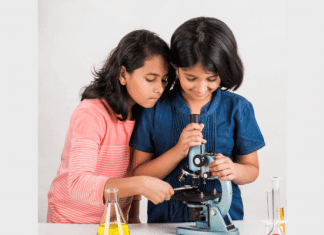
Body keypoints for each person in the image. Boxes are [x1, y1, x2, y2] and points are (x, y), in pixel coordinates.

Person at [129, 17, 265, 223]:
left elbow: (252, 170)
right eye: (191, 78)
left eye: (211, 79)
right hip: (166, 222)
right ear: (175, 67)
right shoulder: (154, 108)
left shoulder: (238, 108)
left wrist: (233, 170)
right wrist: (178, 151)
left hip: (226, 219)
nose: (201, 88)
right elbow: (137, 173)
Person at [47, 29, 175, 224]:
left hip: (113, 222)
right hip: (71, 221)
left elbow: (134, 170)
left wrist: (133, 216)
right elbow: (78, 185)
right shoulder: (91, 113)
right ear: (123, 74)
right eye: (150, 79)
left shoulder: (144, 112)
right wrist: (140, 184)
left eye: (164, 80)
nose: (159, 88)